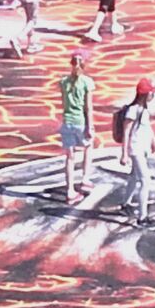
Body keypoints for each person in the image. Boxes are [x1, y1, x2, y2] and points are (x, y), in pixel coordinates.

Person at [120, 78, 155, 229]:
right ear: (145, 94)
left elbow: (148, 130)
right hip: (136, 149)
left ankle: (125, 204)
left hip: (143, 149)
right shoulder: (133, 110)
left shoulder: (144, 110)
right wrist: (124, 154)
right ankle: (142, 217)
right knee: (145, 180)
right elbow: (126, 133)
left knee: (134, 176)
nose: (153, 95)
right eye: (152, 93)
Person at [58, 50, 95, 199]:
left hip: (67, 122)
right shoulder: (87, 82)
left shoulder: (63, 82)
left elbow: (64, 102)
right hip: (80, 121)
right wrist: (90, 126)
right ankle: (85, 179)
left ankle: (70, 190)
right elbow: (88, 107)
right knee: (88, 146)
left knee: (70, 157)